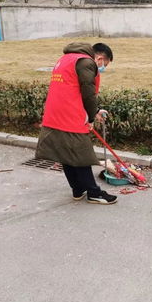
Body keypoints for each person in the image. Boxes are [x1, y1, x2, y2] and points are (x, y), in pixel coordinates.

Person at [36, 42, 117, 205]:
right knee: (82, 155)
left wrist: (94, 111)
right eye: (104, 65)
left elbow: (72, 89)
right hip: (70, 116)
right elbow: (88, 94)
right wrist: (91, 118)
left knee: (66, 154)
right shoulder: (86, 63)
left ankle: (78, 189)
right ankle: (94, 193)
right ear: (99, 58)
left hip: (55, 114)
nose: (102, 68)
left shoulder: (66, 59)